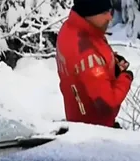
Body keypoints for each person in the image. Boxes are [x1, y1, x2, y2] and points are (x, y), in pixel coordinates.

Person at [55, 0, 133, 128]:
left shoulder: (72, 28)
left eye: (109, 11)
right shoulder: (86, 54)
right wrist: (126, 77)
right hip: (94, 131)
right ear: (89, 13)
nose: (110, 16)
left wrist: (110, 64)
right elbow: (107, 105)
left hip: (77, 120)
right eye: (103, 12)